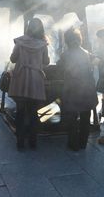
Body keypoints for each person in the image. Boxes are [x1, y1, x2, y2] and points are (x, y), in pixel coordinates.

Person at [8, 17, 50, 150]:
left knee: (20, 112)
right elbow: (46, 62)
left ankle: (20, 142)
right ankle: (33, 142)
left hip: (21, 78)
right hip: (36, 79)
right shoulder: (43, 44)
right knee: (34, 112)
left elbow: (13, 59)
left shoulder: (20, 42)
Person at [56, 27, 98, 151]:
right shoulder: (86, 53)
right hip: (87, 89)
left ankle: (73, 144)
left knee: (72, 118)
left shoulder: (65, 55)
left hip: (72, 90)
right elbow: (97, 60)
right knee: (85, 117)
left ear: (67, 40)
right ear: (79, 39)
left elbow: (59, 69)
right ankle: (83, 143)